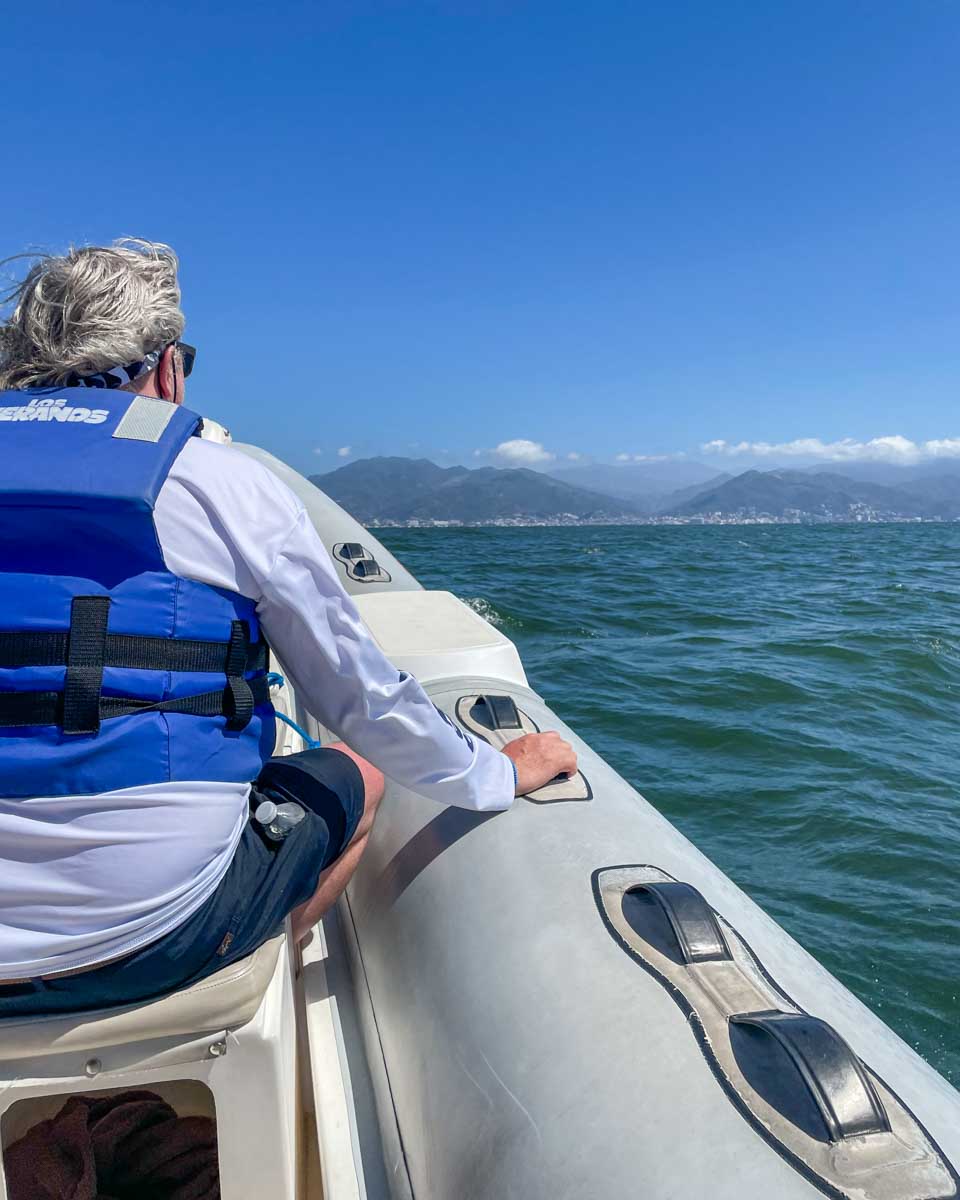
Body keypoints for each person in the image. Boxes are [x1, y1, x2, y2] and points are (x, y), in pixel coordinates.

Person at [0, 239, 577, 1015]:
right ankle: (252, 976)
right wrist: (497, 774)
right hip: (141, 940)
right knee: (361, 774)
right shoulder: (222, 485)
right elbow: (360, 701)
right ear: (168, 370)